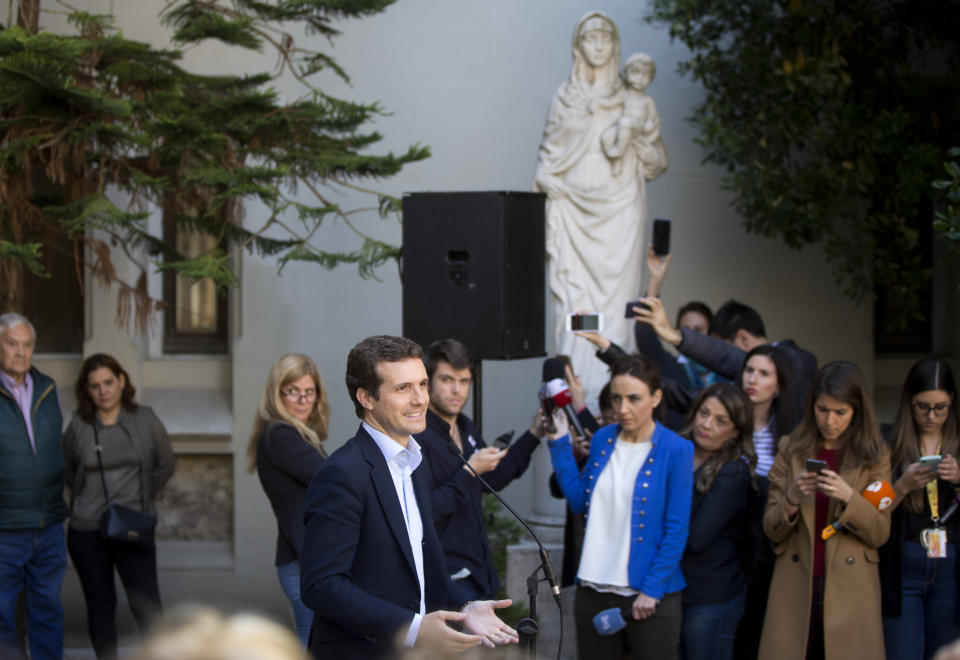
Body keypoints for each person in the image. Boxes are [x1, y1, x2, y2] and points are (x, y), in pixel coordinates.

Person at [300, 335, 518, 659]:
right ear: (366, 398)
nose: (420, 400)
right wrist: (413, 627)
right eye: (403, 388)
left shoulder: (415, 462)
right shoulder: (343, 473)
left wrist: (465, 606)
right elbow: (321, 585)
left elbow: (420, 566)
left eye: (423, 384)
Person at [534, 11, 669, 400]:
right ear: (578, 45)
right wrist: (550, 181)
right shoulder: (566, 95)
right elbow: (549, 157)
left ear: (615, 46)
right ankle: (577, 395)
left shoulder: (635, 98)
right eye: (589, 38)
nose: (597, 45)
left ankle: (617, 397)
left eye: (604, 38)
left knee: (616, 306)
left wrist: (633, 132)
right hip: (574, 212)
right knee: (576, 308)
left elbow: (657, 160)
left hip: (620, 210)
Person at [547, 354, 693, 659]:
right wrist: (559, 444)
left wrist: (652, 590)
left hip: (649, 596)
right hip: (592, 590)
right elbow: (578, 501)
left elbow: (676, 529)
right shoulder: (603, 439)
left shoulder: (677, 449)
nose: (622, 409)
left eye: (634, 398)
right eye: (616, 399)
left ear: (656, 397)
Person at [759, 361, 890, 660]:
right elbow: (771, 528)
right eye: (822, 410)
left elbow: (881, 531)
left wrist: (849, 497)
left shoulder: (877, 455)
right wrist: (791, 498)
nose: (830, 420)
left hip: (851, 588)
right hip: (796, 583)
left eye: (840, 412)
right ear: (811, 406)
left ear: (857, 411)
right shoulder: (790, 448)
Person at [62, 353, 175, 660]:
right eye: (95, 385)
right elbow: (70, 472)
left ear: (122, 381)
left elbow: (165, 465)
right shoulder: (77, 427)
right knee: (100, 606)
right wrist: (91, 502)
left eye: (109, 382)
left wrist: (139, 499)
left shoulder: (145, 420)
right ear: (86, 390)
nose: (103, 391)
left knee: (148, 606)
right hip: (87, 531)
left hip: (133, 526)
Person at [415, 339, 541, 603]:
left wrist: (534, 434)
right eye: (447, 380)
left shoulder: (465, 425)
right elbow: (425, 511)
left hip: (478, 571)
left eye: (464, 381)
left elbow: (492, 479)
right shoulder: (418, 437)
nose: (456, 390)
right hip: (444, 577)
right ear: (427, 383)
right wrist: (469, 472)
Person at [247, 354, 330, 646]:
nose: (302, 400)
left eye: (309, 392)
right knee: (310, 645)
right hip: (300, 562)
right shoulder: (280, 435)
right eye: (292, 391)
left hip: (303, 559)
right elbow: (331, 477)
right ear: (277, 393)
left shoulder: (303, 436)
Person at [880, 358, 960, 660]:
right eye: (921, 406)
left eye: (940, 407)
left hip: (951, 564)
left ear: (952, 401)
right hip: (904, 563)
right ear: (908, 401)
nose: (931, 416)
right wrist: (901, 486)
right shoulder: (887, 441)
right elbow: (871, 505)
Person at [0, 313, 68, 660]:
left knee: (48, 613)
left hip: (48, 526)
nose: (20, 352)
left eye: (27, 345)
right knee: (1, 615)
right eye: (12, 344)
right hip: (5, 528)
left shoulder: (47, 388)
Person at [635, 296, 818, 416]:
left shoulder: (797, 361)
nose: (752, 379)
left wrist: (677, 336)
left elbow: (727, 358)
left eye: (764, 373)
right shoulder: (741, 395)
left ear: (743, 339)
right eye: (750, 371)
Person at [680, 383, 755, 660]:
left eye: (720, 421)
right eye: (703, 413)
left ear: (736, 431)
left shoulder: (734, 471)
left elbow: (696, 537)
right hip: (673, 589)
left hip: (711, 593)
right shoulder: (678, 450)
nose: (706, 424)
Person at [601, 52, 666, 177]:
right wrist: (599, 103)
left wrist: (649, 130)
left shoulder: (647, 100)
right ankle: (617, 161)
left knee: (626, 122)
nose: (640, 78)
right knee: (607, 137)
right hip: (623, 129)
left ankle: (619, 150)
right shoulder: (625, 94)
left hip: (637, 128)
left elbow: (654, 120)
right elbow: (611, 102)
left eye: (645, 75)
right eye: (636, 73)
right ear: (627, 74)